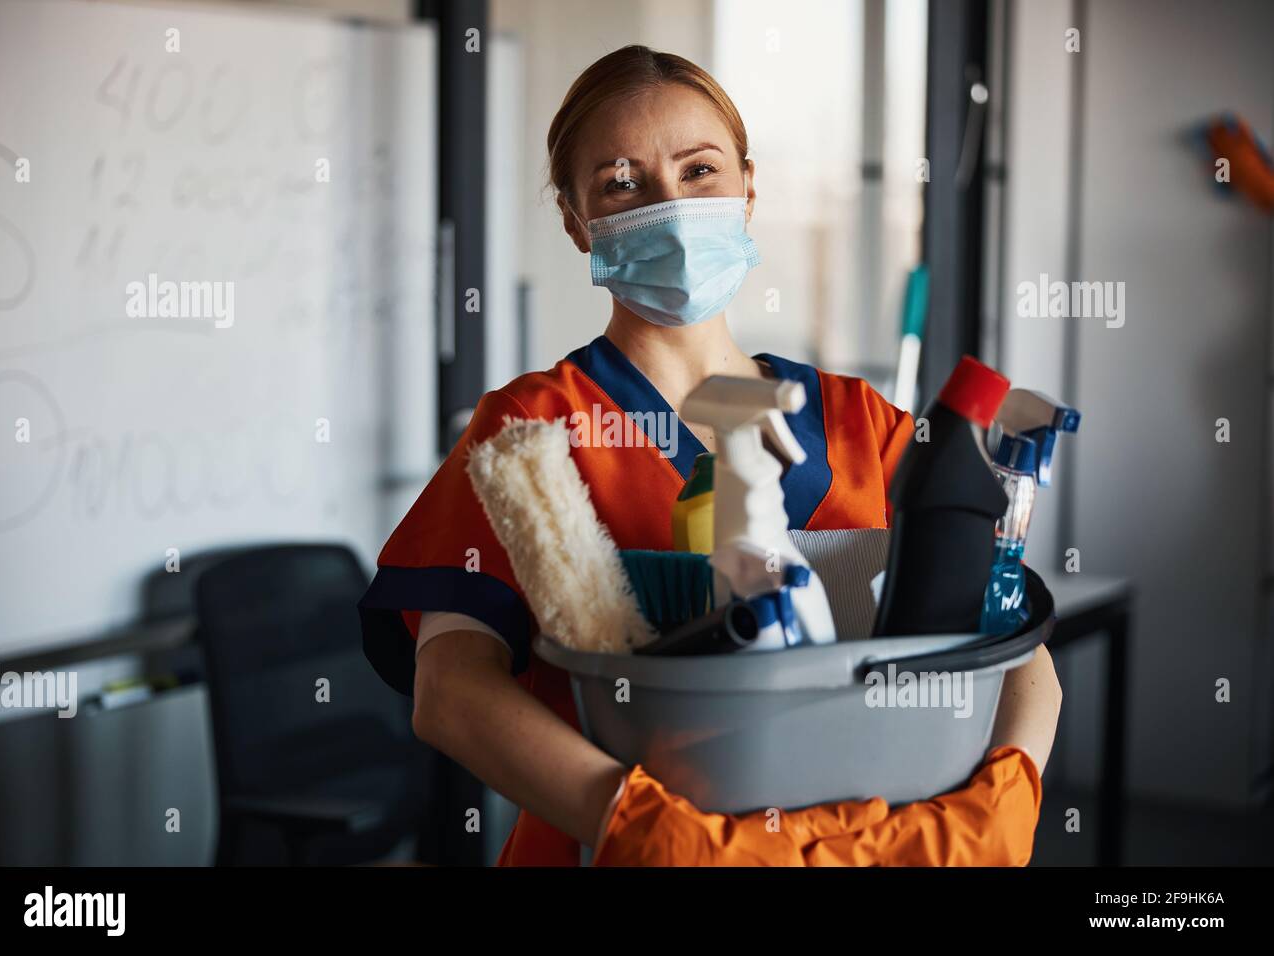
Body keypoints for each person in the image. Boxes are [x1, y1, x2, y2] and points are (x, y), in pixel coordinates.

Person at [359, 45, 1062, 866]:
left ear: (748, 189)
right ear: (576, 221)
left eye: (699, 172)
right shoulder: (530, 431)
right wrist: (647, 831)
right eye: (623, 183)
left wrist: (1003, 797)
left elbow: (1014, 649)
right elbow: (450, 693)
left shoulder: (860, 421)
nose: (672, 207)